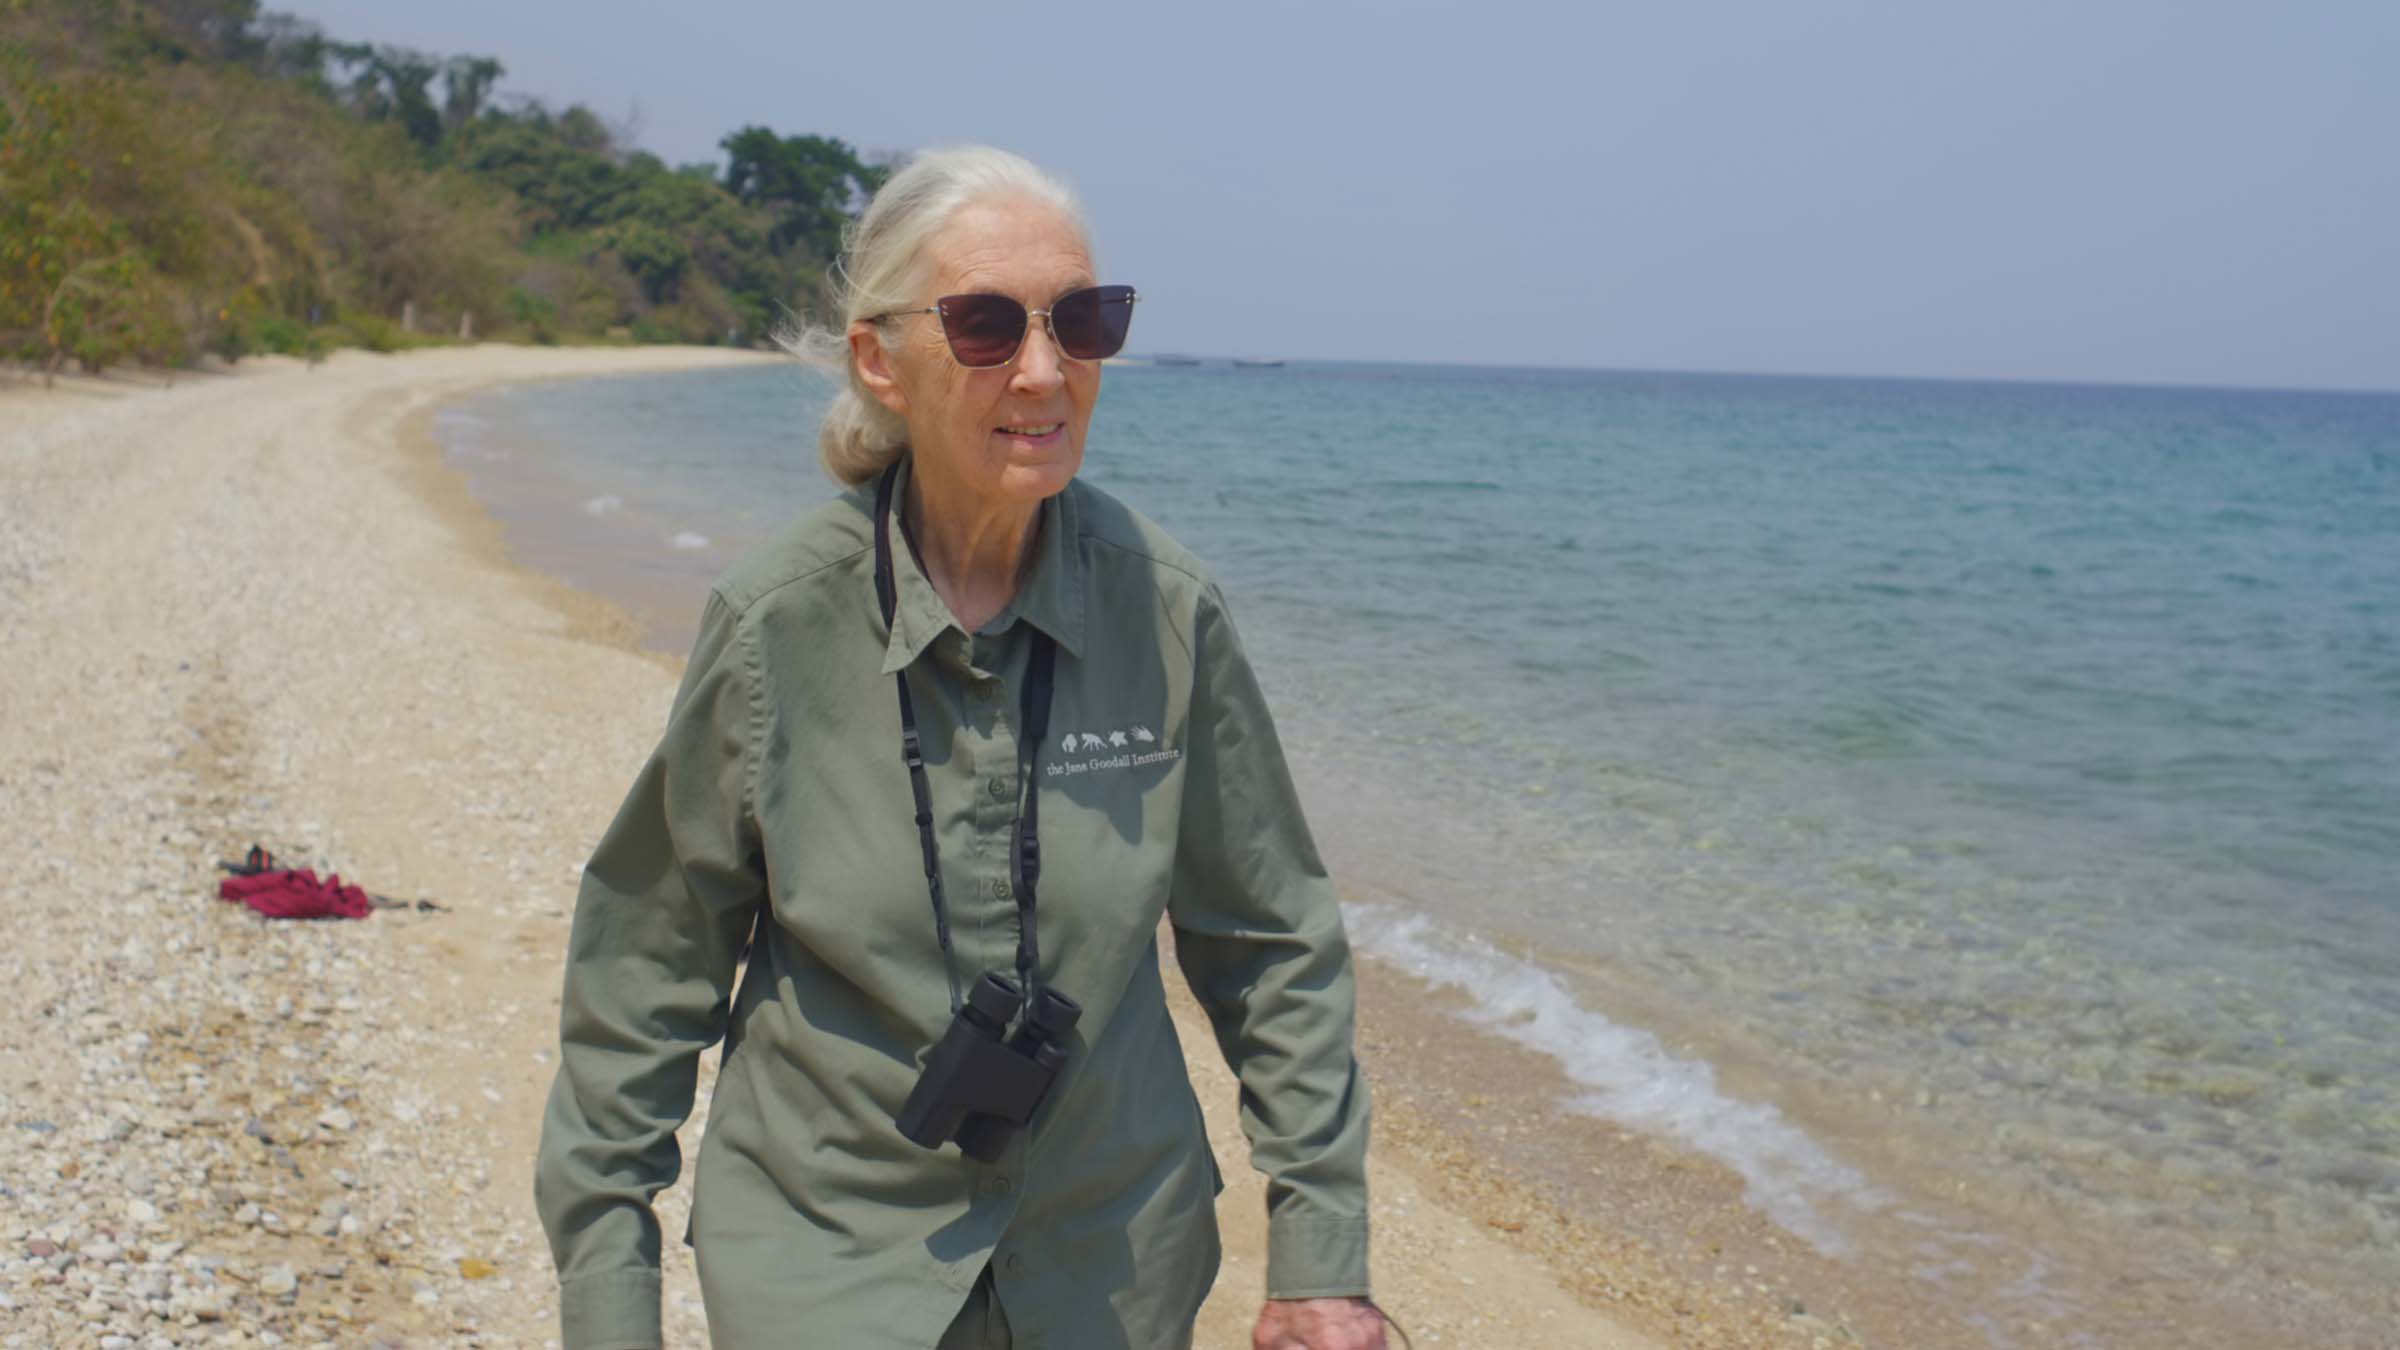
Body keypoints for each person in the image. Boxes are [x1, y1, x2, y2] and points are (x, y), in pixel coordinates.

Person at [534, 144, 1385, 1350]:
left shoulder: (1168, 611)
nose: (1044, 370)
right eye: (986, 326)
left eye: (1081, 321)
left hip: (1110, 1266)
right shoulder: (776, 625)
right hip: (827, 1266)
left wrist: (1321, 1262)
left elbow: (1270, 942)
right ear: (879, 361)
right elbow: (644, 975)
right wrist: (609, 1308)